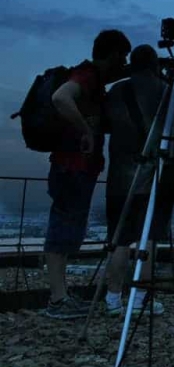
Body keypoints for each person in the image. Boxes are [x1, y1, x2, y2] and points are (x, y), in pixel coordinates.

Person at [45, 30, 131, 319]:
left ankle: (62, 297)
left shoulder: (94, 81)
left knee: (68, 230)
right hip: (71, 168)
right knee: (62, 230)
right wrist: (85, 131)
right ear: (114, 54)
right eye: (123, 57)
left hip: (75, 169)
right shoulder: (85, 76)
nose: (125, 63)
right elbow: (61, 98)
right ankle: (57, 300)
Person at [103, 44, 174, 316]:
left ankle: (112, 299)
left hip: (119, 178)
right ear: (155, 65)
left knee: (119, 241)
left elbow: (107, 123)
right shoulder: (166, 89)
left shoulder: (117, 90)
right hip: (153, 178)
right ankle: (139, 299)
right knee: (149, 240)